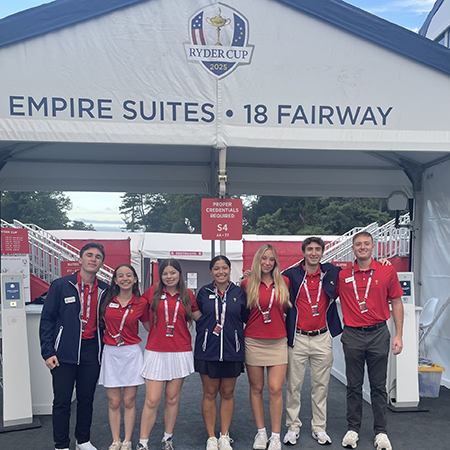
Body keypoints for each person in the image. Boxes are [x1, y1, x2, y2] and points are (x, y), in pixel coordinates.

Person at [338, 232, 404, 450]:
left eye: (366, 244)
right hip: (353, 335)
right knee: (353, 386)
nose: (362, 247)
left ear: (373, 247)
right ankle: (352, 429)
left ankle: (381, 432)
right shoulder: (343, 275)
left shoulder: (387, 270)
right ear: (353, 249)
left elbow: (396, 301)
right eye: (358, 244)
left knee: (378, 386)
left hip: (378, 334)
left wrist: (399, 335)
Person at [40, 242, 109, 450]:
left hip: (91, 351)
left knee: (86, 400)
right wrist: (48, 351)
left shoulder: (105, 289)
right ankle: (61, 444)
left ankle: (83, 440)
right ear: (80, 259)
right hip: (64, 352)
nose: (93, 259)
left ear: (101, 263)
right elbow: (47, 320)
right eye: (89, 255)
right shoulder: (61, 285)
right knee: (61, 401)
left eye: (97, 257)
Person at [282, 237, 342, 447]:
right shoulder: (291, 275)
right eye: (310, 249)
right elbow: (270, 283)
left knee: (321, 386)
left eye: (317, 249)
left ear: (323, 252)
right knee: (294, 386)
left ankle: (319, 428)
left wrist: (384, 263)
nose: (314, 253)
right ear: (304, 252)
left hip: (322, 337)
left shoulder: (332, 272)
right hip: (298, 337)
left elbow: (357, 270)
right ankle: (293, 427)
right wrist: (247, 276)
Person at [137, 258, 201, 450]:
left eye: (173, 273)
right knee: (152, 400)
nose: (169, 277)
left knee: (172, 399)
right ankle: (143, 442)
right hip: (156, 351)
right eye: (165, 273)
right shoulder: (152, 293)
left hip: (180, 351)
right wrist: (151, 328)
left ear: (179, 274)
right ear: (160, 276)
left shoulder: (188, 294)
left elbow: (199, 318)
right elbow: (140, 313)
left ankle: (167, 438)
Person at [194, 255, 249, 450]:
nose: (221, 272)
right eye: (216, 268)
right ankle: (211, 437)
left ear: (229, 269)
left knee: (227, 393)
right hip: (207, 350)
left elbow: (245, 316)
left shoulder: (239, 293)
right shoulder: (203, 292)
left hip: (232, 350)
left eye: (224, 268)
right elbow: (197, 315)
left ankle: (224, 435)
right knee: (209, 393)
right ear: (211, 271)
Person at [241, 244, 291, 450]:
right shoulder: (247, 283)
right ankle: (261, 433)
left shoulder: (284, 281)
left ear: (275, 262)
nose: (267, 263)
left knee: (276, 388)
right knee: (256, 388)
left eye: (271, 259)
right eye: (264, 259)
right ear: (258, 260)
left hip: (278, 341)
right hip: (253, 340)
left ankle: (276, 435)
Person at [98, 264, 150, 450]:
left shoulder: (142, 303)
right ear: (115, 280)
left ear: (135, 279)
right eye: (120, 275)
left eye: (129, 275)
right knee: (114, 401)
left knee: (129, 401)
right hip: (111, 353)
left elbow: (149, 327)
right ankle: (115, 440)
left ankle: (127, 440)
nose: (125, 278)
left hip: (131, 353)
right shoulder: (106, 299)